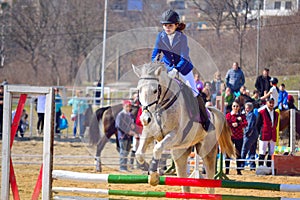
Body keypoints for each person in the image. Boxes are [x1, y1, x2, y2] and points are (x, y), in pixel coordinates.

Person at [151, 9, 210, 131]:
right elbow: (155, 54)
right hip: (168, 69)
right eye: (165, 25)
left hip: (184, 69)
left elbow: (184, 57)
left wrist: (177, 69)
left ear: (176, 25)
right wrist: (156, 63)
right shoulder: (160, 37)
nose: (167, 28)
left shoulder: (182, 38)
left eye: (170, 25)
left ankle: (205, 120)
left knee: (194, 92)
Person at [225, 100, 248, 175]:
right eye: (234, 106)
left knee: (238, 154)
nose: (235, 107)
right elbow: (226, 122)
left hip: (239, 137)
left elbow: (245, 123)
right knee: (228, 153)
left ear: (239, 107)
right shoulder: (228, 115)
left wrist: (238, 124)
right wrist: (234, 123)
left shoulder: (242, 115)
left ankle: (238, 170)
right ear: (232, 107)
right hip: (230, 136)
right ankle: (227, 170)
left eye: (237, 106)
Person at [256, 97, 279, 168]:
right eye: (270, 102)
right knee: (262, 152)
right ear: (267, 103)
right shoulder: (262, 112)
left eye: (272, 103)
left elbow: (275, 124)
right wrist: (260, 134)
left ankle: (269, 167)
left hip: (273, 135)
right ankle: (260, 166)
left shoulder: (276, 113)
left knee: (271, 152)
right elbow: (258, 125)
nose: (271, 104)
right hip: (264, 134)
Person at [115, 100, 137, 172]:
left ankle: (125, 166)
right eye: (127, 106)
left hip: (128, 136)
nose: (128, 108)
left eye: (129, 106)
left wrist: (133, 126)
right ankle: (122, 167)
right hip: (123, 136)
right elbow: (118, 126)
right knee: (123, 151)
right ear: (123, 106)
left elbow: (132, 123)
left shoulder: (130, 115)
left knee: (126, 151)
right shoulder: (120, 115)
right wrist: (128, 131)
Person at [241, 102, 258, 171]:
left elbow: (250, 126)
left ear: (250, 108)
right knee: (252, 151)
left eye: (247, 108)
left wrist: (246, 133)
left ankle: (241, 165)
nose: (246, 109)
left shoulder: (251, 115)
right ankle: (252, 166)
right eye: (245, 108)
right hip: (254, 135)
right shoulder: (249, 115)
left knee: (244, 150)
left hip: (249, 135)